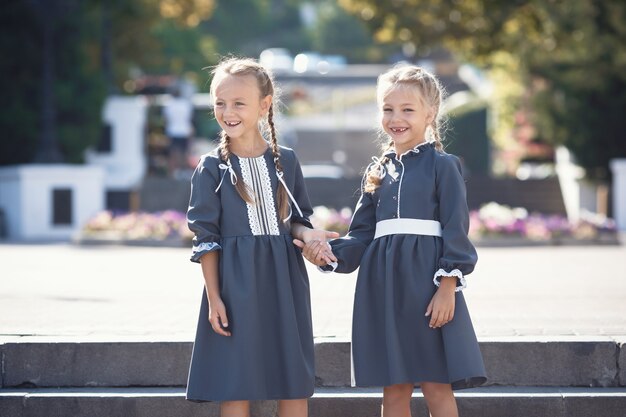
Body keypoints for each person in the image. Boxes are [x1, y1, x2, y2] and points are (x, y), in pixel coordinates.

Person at [295, 64, 486, 417]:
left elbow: (456, 230)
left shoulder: (444, 166)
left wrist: (447, 287)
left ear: (430, 114)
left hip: (427, 287)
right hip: (383, 288)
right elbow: (362, 236)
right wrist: (326, 254)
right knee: (394, 388)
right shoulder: (377, 171)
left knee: (436, 384)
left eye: (407, 110)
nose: (395, 118)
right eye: (387, 109)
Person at [185, 57, 338, 417]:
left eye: (239, 103)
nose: (228, 111)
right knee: (236, 384)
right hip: (234, 286)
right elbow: (206, 238)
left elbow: (295, 222)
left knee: (293, 382)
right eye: (220, 103)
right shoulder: (212, 168)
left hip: (285, 282)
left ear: (264, 105)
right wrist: (214, 298)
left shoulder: (286, 160)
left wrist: (310, 237)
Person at [163, 88, 194, 177]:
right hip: (185, 131)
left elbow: (166, 119)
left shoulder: (169, 104)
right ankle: (183, 172)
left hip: (172, 131)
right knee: (184, 153)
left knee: (173, 153)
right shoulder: (186, 104)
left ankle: (172, 173)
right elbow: (190, 118)